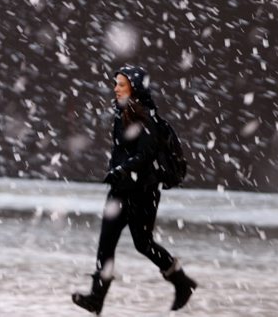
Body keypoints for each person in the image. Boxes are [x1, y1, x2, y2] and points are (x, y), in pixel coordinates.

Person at [72, 66, 197, 315]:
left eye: (121, 84)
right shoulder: (123, 113)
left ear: (134, 88)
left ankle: (182, 282)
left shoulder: (146, 117)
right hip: (120, 192)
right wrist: (118, 172)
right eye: (116, 83)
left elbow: (145, 153)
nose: (115, 88)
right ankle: (97, 298)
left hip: (142, 193)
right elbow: (127, 152)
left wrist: (122, 170)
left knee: (143, 244)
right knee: (105, 245)